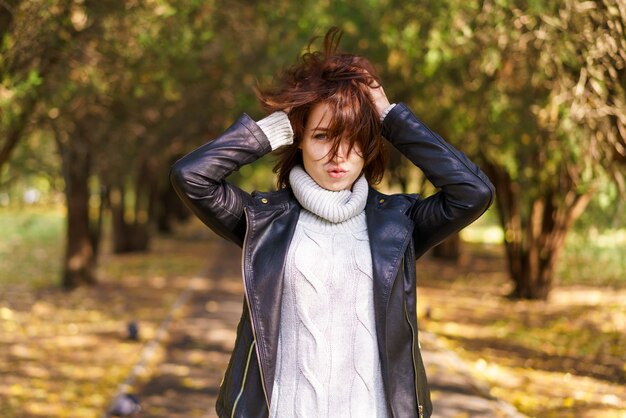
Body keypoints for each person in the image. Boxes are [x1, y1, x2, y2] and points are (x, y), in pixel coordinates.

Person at [169, 27, 494, 418]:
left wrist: (391, 117)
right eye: (322, 136)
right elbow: (191, 176)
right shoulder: (263, 221)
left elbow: (472, 192)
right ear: (300, 139)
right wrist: (277, 126)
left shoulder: (397, 226)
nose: (338, 155)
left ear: (369, 145)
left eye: (353, 137)